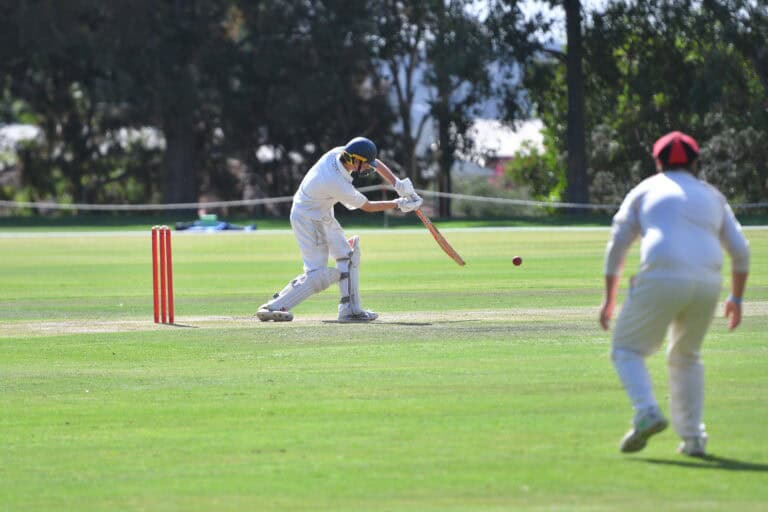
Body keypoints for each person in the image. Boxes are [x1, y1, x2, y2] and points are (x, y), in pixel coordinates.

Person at [599, 130, 750, 457]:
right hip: (709, 281)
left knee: (626, 349)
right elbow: (741, 251)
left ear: (658, 162)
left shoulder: (645, 189)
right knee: (686, 356)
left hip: (662, 273)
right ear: (695, 163)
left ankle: (646, 410)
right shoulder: (712, 196)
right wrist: (736, 299)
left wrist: (609, 299)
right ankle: (694, 439)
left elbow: (617, 245)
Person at [256, 136, 422, 323]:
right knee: (318, 275)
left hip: (322, 213)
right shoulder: (335, 181)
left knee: (347, 256)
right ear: (354, 160)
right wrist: (399, 204)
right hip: (307, 218)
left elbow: (376, 163)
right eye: (365, 164)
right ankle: (273, 307)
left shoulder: (341, 152)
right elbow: (367, 206)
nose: (368, 167)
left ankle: (350, 311)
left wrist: (398, 184)